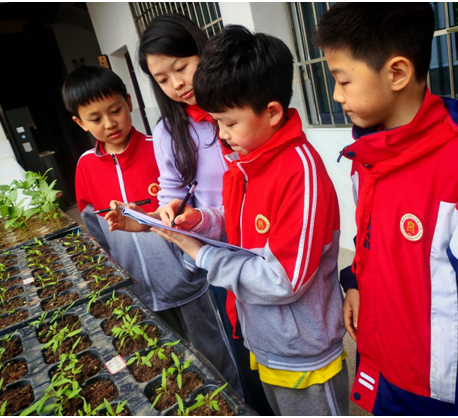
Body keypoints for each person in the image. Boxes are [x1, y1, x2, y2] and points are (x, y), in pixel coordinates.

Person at [120, 25, 351, 416]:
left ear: (272, 113)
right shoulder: (247, 161)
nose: (222, 136)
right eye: (216, 123)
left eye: (228, 123)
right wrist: (199, 220)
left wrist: (203, 255)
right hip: (268, 338)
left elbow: (285, 280)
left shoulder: (299, 172)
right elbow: (237, 222)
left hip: (304, 352)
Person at [315, 3, 458, 415]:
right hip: (383, 367)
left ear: (397, 73)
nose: (336, 95)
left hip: (435, 396)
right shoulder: (368, 153)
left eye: (343, 80)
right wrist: (355, 281)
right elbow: (371, 237)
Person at [61, 65, 241, 394]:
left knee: (216, 354)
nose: (109, 123)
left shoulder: (157, 146)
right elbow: (95, 232)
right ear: (80, 122)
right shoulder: (85, 167)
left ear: (129, 102)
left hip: (187, 284)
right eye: (96, 118)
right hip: (139, 292)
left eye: (115, 110)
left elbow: (186, 206)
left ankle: (237, 402)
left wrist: (190, 265)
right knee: (169, 365)